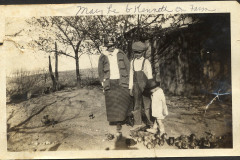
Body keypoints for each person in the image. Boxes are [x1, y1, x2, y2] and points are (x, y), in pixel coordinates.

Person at [98, 35, 131, 139]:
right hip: (110, 81)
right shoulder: (103, 56)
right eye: (109, 46)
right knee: (113, 102)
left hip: (122, 80)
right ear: (106, 46)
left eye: (112, 45)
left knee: (123, 100)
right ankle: (117, 122)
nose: (111, 48)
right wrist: (103, 82)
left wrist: (130, 81)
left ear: (115, 45)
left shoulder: (121, 53)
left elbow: (128, 67)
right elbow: (100, 71)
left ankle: (125, 118)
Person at [129, 41, 153, 127]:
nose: (137, 54)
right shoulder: (132, 62)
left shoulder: (146, 62)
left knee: (147, 105)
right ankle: (137, 122)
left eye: (139, 53)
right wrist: (130, 87)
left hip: (145, 86)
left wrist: (150, 87)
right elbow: (131, 75)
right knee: (136, 104)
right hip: (136, 86)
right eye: (136, 52)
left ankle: (149, 122)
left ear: (143, 52)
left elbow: (149, 76)